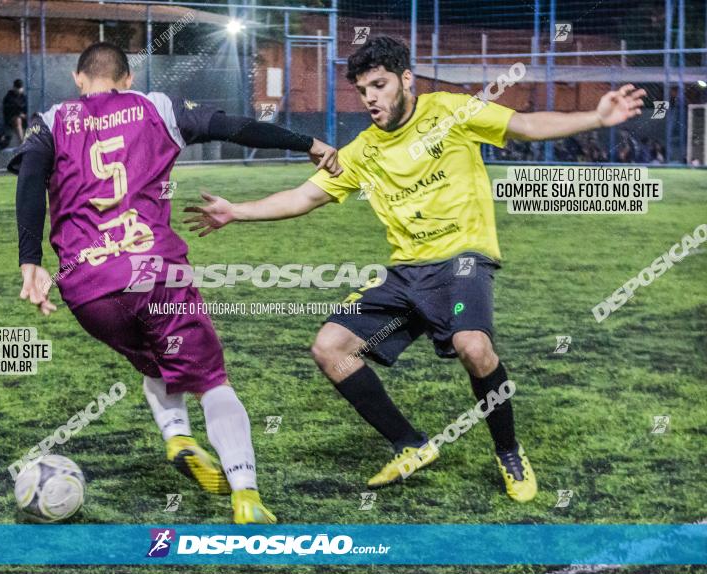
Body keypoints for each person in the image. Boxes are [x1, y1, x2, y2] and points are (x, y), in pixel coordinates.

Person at [184, 36, 646, 503]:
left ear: (406, 80)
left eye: (380, 85)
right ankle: (411, 445)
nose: (371, 98)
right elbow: (306, 196)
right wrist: (235, 211)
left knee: (474, 347)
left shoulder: (452, 112)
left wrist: (596, 117)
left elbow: (524, 125)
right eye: (363, 90)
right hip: (405, 274)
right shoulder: (363, 150)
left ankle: (508, 451)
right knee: (331, 348)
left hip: (462, 260)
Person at [8, 42, 340, 523]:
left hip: (86, 289)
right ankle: (246, 494)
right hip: (154, 274)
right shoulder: (157, 106)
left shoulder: (51, 119)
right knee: (212, 382)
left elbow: (30, 176)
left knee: (156, 360)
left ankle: (178, 437)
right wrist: (307, 143)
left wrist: (29, 260)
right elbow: (237, 126)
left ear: (79, 80)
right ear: (127, 79)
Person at [3, 79, 28, 143]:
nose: (19, 90)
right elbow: (9, 111)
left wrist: (25, 115)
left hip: (23, 117)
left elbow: (27, 108)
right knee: (17, 120)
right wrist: (20, 114)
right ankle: (22, 142)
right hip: (11, 118)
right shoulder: (8, 97)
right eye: (17, 88)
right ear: (14, 88)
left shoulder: (23, 97)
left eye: (20, 88)